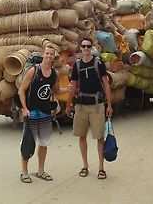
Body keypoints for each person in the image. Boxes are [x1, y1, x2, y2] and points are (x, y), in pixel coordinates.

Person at [18, 44, 69, 183]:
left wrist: (68, 90)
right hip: (32, 112)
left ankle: (41, 171)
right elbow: (21, 90)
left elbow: (56, 92)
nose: (49, 56)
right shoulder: (33, 71)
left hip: (45, 112)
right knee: (28, 142)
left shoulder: (55, 74)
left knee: (44, 143)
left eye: (51, 54)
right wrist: (24, 108)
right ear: (43, 54)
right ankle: (24, 172)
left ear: (54, 57)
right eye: (47, 53)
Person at [65, 37, 113, 180]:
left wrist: (109, 104)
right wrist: (68, 104)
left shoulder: (98, 63)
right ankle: (85, 166)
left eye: (88, 46)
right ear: (80, 48)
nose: (86, 49)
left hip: (97, 105)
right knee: (82, 136)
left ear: (91, 48)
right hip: (81, 105)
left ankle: (101, 168)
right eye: (83, 46)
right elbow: (73, 85)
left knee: (99, 137)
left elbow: (106, 84)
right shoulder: (77, 65)